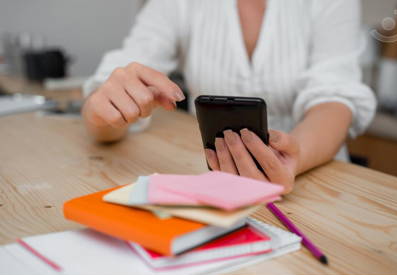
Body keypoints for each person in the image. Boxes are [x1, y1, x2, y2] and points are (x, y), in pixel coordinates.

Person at [82, 0, 376, 193]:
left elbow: (336, 95)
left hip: (315, 183)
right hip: (214, 183)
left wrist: (294, 159)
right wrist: (102, 113)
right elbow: (111, 92)